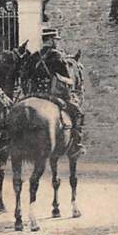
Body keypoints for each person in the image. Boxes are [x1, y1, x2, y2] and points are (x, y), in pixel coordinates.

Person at [26, 28, 84, 156]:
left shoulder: (34, 56)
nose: (57, 42)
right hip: (51, 96)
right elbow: (68, 79)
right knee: (78, 112)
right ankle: (76, 144)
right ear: (52, 40)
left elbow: (25, 76)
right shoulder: (57, 56)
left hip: (33, 95)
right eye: (56, 40)